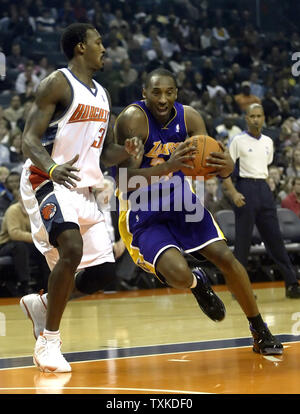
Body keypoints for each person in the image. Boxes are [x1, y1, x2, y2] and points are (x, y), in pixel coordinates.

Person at [114, 68, 283, 357]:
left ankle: (259, 330)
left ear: (176, 93)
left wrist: (226, 167)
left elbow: (211, 161)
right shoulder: (132, 120)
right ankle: (197, 283)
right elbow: (122, 179)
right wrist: (167, 167)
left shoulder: (190, 117)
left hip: (183, 202)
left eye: (169, 92)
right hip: (143, 208)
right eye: (156, 92)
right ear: (144, 93)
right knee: (179, 273)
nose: (163, 98)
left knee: (226, 257)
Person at [18, 23, 142, 373]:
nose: (104, 48)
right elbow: (27, 140)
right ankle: (48, 343)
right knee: (70, 250)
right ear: (79, 48)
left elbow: (101, 154)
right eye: (98, 42)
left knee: (102, 272)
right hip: (47, 178)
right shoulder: (57, 83)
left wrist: (127, 152)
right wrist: (52, 166)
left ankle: (43, 303)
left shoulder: (102, 94)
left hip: (84, 186)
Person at [222, 103, 300, 298]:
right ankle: (239, 288)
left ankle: (292, 284)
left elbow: (264, 166)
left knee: (276, 240)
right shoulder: (237, 140)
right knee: (243, 243)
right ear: (246, 118)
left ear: (264, 118)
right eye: (252, 116)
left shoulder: (268, 142)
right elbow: (224, 171)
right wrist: (233, 193)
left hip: (264, 190)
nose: (256, 119)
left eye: (259, 115)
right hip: (245, 188)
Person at [0, 189, 49, 296]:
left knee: (44, 248)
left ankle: (46, 284)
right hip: (6, 245)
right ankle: (24, 284)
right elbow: (14, 234)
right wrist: (37, 238)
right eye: (25, 196)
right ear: (19, 198)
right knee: (20, 247)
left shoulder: (36, 210)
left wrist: (41, 239)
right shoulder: (13, 210)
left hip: (28, 243)